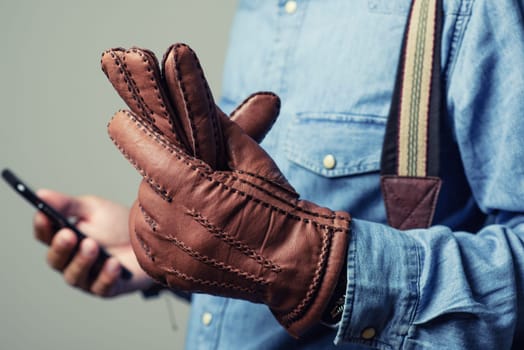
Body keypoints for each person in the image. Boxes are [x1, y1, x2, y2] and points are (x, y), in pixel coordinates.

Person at [33, 0, 524, 349]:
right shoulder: (258, 12)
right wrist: (161, 249)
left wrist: (322, 270)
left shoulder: (470, 7)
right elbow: (257, 236)